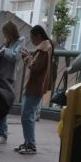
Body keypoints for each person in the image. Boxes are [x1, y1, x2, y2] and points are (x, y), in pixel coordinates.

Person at [15, 23, 53, 155]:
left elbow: (35, 67)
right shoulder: (46, 47)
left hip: (34, 86)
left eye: (32, 38)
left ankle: (30, 144)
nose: (32, 41)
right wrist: (29, 57)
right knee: (27, 115)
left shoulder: (43, 49)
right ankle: (28, 143)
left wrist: (26, 57)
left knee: (27, 115)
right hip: (37, 86)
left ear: (38, 36)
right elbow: (36, 64)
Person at [0, 21, 23, 145]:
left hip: (8, 77)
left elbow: (16, 56)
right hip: (0, 76)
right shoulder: (7, 43)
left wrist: (3, 51)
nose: (5, 35)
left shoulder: (20, 40)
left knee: (2, 105)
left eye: (6, 33)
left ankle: (3, 133)